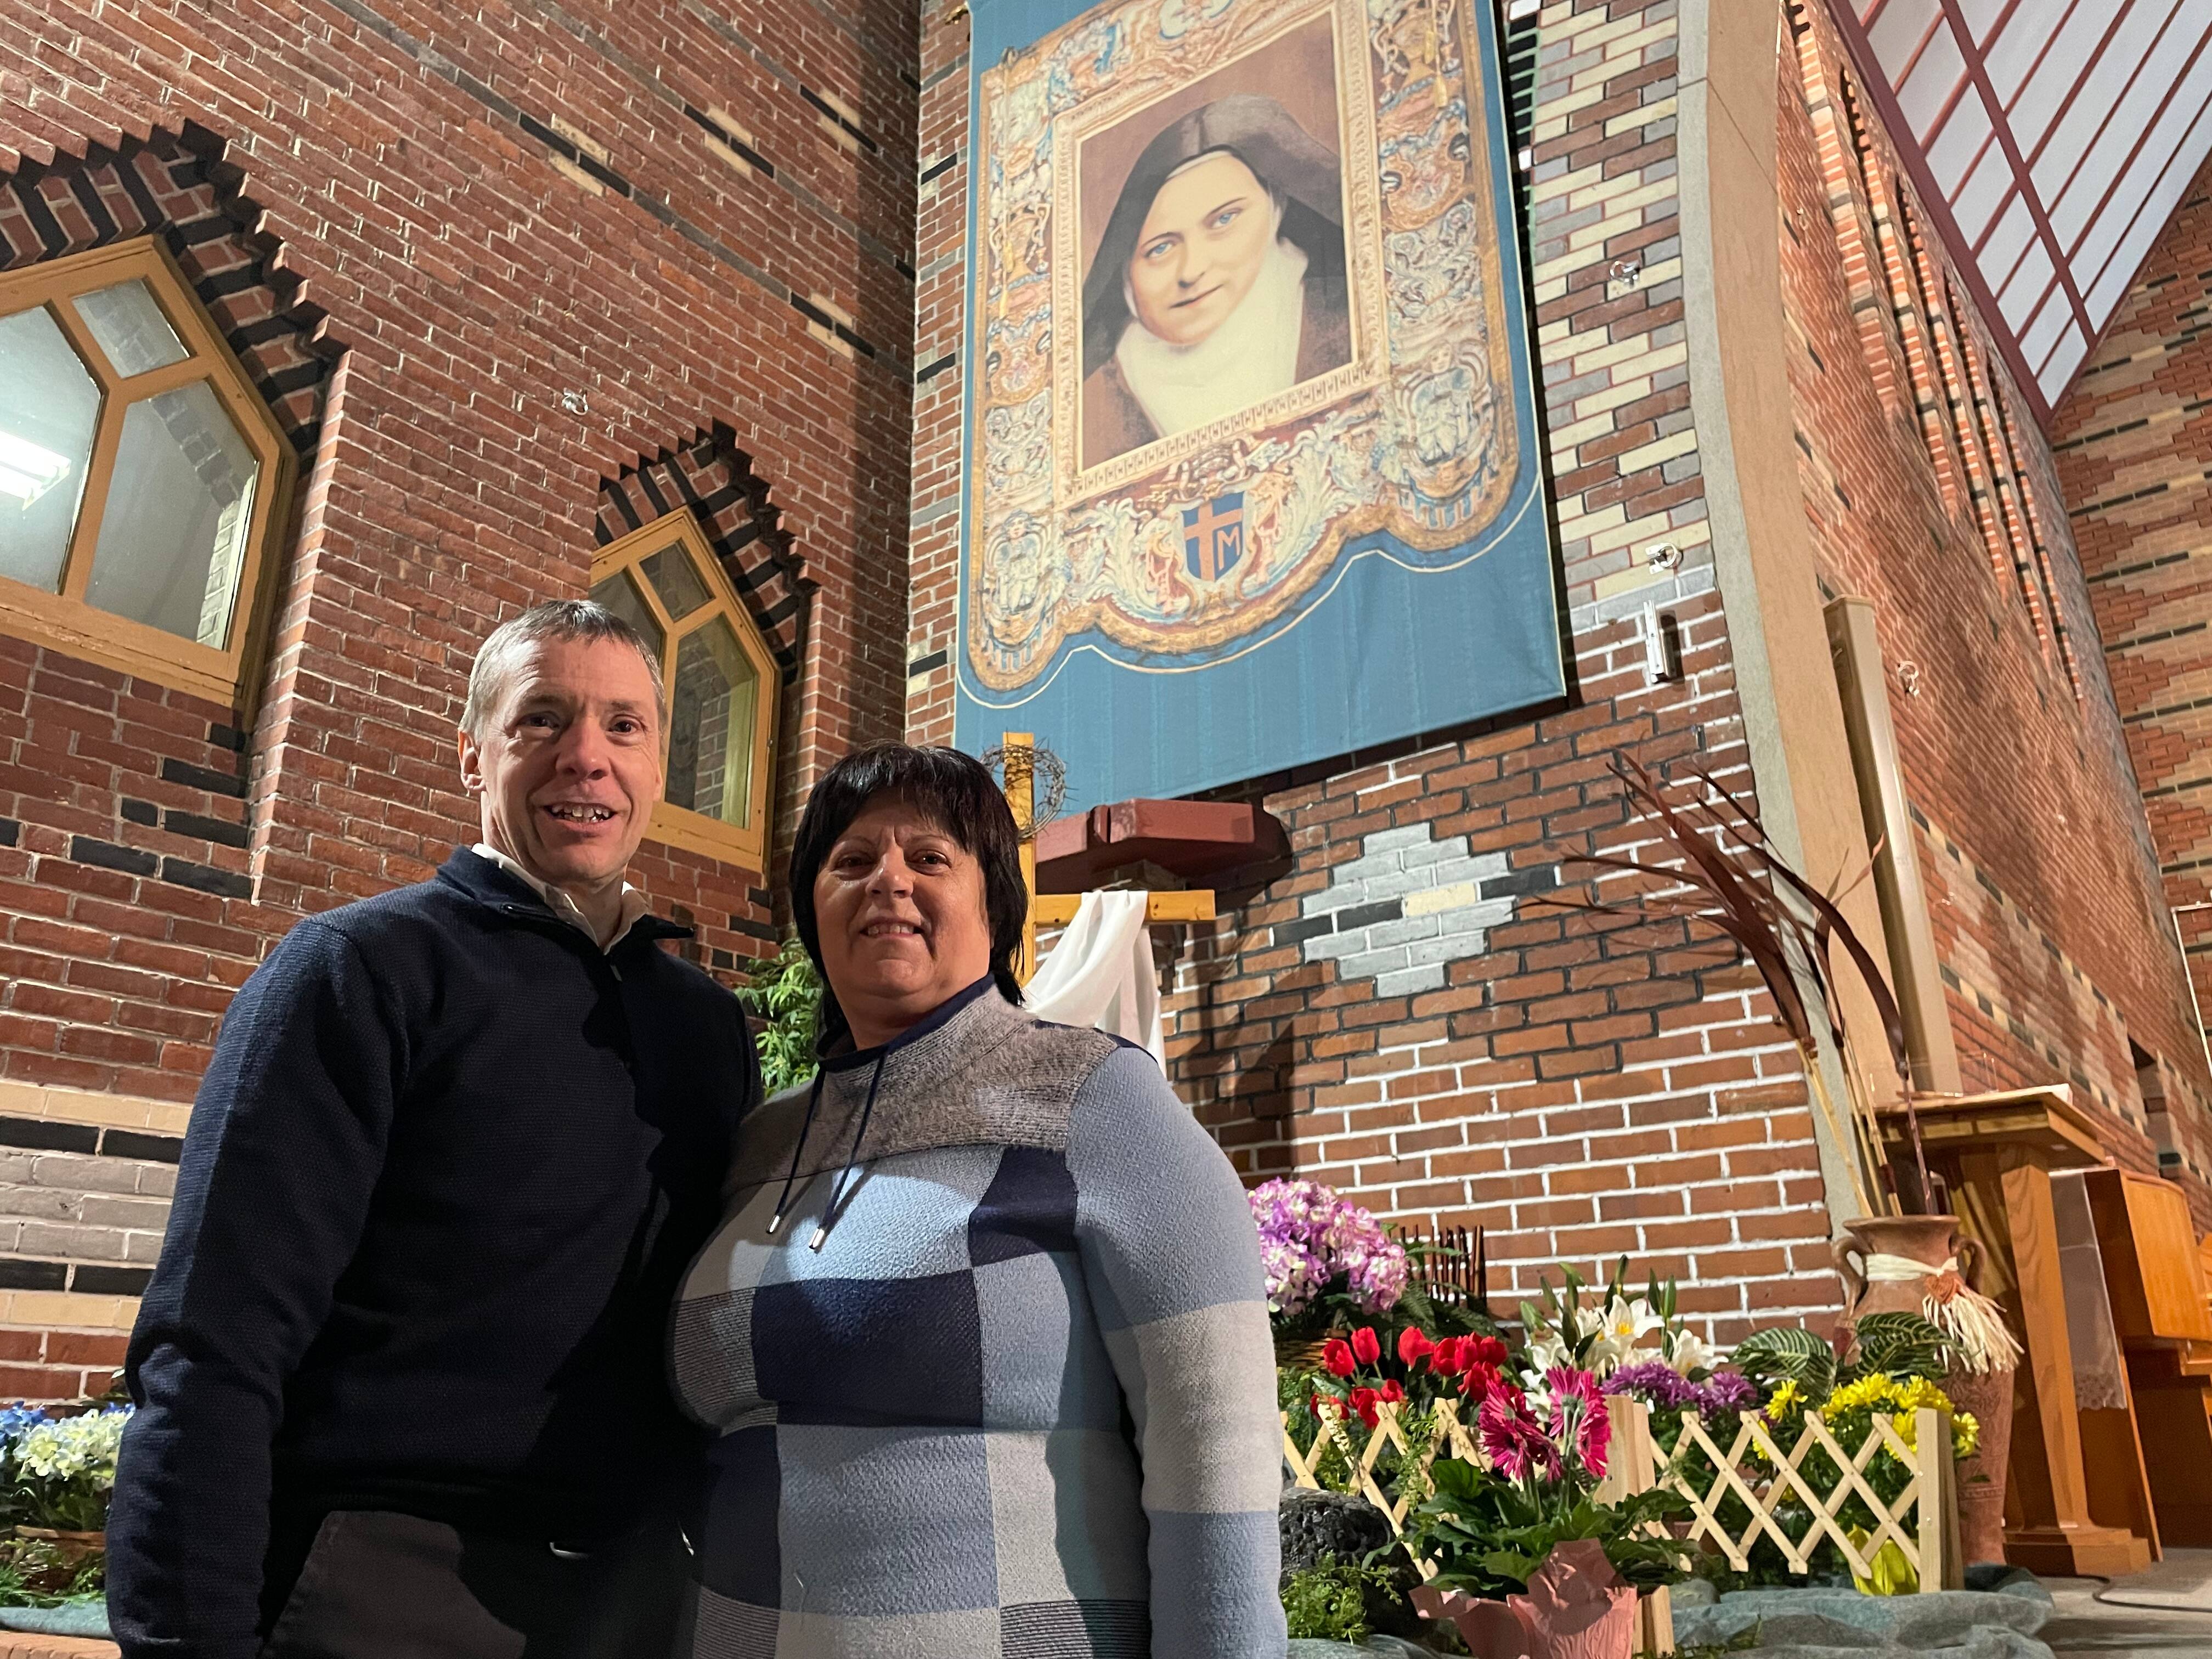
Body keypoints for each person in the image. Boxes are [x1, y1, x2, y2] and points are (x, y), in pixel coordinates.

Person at [108, 600, 760, 1658]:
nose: (586, 756)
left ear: (657, 769)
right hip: (377, 1584)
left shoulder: (705, 1027)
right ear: (472, 755)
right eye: (542, 719)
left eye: (624, 726)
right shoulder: (358, 970)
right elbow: (215, 1339)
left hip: (628, 1596)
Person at [669, 743, 1284, 1657]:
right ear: (812, 910)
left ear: (993, 904)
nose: (887, 879)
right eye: (850, 860)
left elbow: (1215, 1445)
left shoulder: (1093, 1099)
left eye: (928, 856)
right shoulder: (761, 1139)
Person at [1081, 92, 1353, 469]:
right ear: (1124, 269)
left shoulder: (1354, 321)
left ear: (1276, 208)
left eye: (1225, 221)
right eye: (1160, 249)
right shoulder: (1094, 406)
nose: (1191, 271)